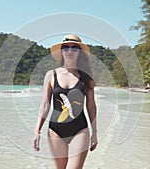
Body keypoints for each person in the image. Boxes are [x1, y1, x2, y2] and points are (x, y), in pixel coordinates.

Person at [33, 34, 98, 169]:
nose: (69, 51)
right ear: (61, 51)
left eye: (74, 48)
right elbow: (45, 104)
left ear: (79, 52)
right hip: (55, 130)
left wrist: (94, 132)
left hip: (80, 129)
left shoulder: (87, 78)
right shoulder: (51, 75)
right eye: (66, 47)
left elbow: (91, 106)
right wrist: (37, 130)